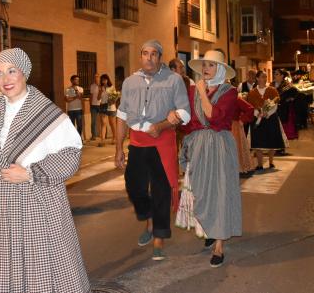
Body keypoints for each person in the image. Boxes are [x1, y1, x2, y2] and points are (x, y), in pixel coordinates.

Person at [0, 48, 90, 293]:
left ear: (24, 72)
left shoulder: (47, 113)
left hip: (35, 201)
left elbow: (71, 154)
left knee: (39, 270)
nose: (5, 79)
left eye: (11, 71)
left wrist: (30, 173)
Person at [115, 39, 190, 261]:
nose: (149, 57)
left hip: (162, 140)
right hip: (137, 141)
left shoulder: (174, 80)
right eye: (145, 53)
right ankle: (148, 215)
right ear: (140, 56)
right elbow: (121, 116)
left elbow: (184, 113)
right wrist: (119, 148)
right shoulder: (130, 82)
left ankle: (158, 236)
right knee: (134, 186)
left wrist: (163, 125)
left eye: (153, 54)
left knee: (161, 190)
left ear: (160, 57)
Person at [178, 50, 241, 267]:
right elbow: (188, 120)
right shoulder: (192, 90)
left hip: (219, 145)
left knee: (220, 192)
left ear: (220, 69)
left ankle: (219, 246)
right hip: (198, 145)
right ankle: (211, 229)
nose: (206, 69)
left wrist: (203, 94)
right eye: (204, 64)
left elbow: (214, 117)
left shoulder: (229, 92)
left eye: (211, 65)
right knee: (201, 192)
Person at [247, 70, 286, 171]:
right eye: (262, 77)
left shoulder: (272, 90)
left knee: (271, 141)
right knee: (258, 142)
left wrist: (267, 113)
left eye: (265, 77)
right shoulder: (252, 92)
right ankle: (260, 164)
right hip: (257, 119)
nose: (264, 79)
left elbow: (275, 104)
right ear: (257, 78)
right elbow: (251, 106)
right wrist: (258, 113)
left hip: (270, 118)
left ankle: (271, 161)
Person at [232, 96, 256, 177]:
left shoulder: (235, 98)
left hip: (234, 127)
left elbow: (250, 109)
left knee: (235, 148)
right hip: (220, 128)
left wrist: (242, 120)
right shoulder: (215, 96)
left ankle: (235, 168)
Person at [273, 69, 298, 141]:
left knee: (283, 128)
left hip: (283, 109)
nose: (275, 75)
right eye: (274, 74)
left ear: (282, 76)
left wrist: (290, 99)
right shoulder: (272, 84)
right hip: (273, 108)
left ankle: (281, 148)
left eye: (277, 74)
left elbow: (295, 92)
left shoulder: (287, 85)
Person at [97, 73, 117, 147]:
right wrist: (100, 92)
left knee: (112, 124)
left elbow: (115, 98)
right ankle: (102, 140)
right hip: (102, 106)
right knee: (103, 123)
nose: (103, 81)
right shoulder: (100, 88)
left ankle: (114, 138)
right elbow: (98, 98)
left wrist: (112, 99)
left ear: (107, 80)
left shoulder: (111, 87)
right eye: (102, 80)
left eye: (105, 80)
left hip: (111, 107)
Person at [65, 74, 84, 139]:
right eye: (76, 80)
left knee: (80, 125)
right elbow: (67, 100)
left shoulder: (80, 89)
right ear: (72, 80)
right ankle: (73, 139)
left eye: (78, 80)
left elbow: (81, 98)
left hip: (79, 109)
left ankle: (79, 138)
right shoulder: (67, 89)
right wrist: (76, 97)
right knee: (72, 126)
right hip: (71, 110)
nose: (77, 81)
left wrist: (76, 91)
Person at [89, 73, 101, 141]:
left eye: (97, 77)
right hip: (93, 106)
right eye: (95, 77)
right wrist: (90, 105)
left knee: (103, 121)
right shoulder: (92, 86)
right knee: (93, 121)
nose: (96, 78)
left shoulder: (102, 86)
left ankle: (103, 135)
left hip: (101, 105)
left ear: (99, 78)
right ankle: (93, 135)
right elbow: (91, 96)